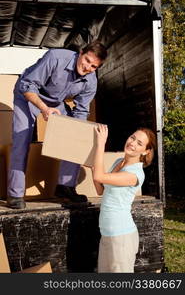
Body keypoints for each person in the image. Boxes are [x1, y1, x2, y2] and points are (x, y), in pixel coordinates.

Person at [7, 40, 107, 209]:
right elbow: (27, 85)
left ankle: (65, 187)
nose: (87, 68)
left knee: (77, 133)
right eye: (87, 60)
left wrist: (79, 136)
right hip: (28, 94)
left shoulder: (91, 82)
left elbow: (81, 112)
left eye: (94, 66)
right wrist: (44, 109)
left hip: (56, 102)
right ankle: (15, 194)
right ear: (81, 53)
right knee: (22, 139)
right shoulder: (56, 57)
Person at [92, 124, 156, 272]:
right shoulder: (119, 162)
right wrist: (93, 167)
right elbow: (100, 189)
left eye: (139, 143)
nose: (132, 143)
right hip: (107, 232)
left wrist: (100, 143)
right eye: (132, 137)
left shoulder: (135, 174)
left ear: (145, 151)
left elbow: (99, 176)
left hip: (121, 236)